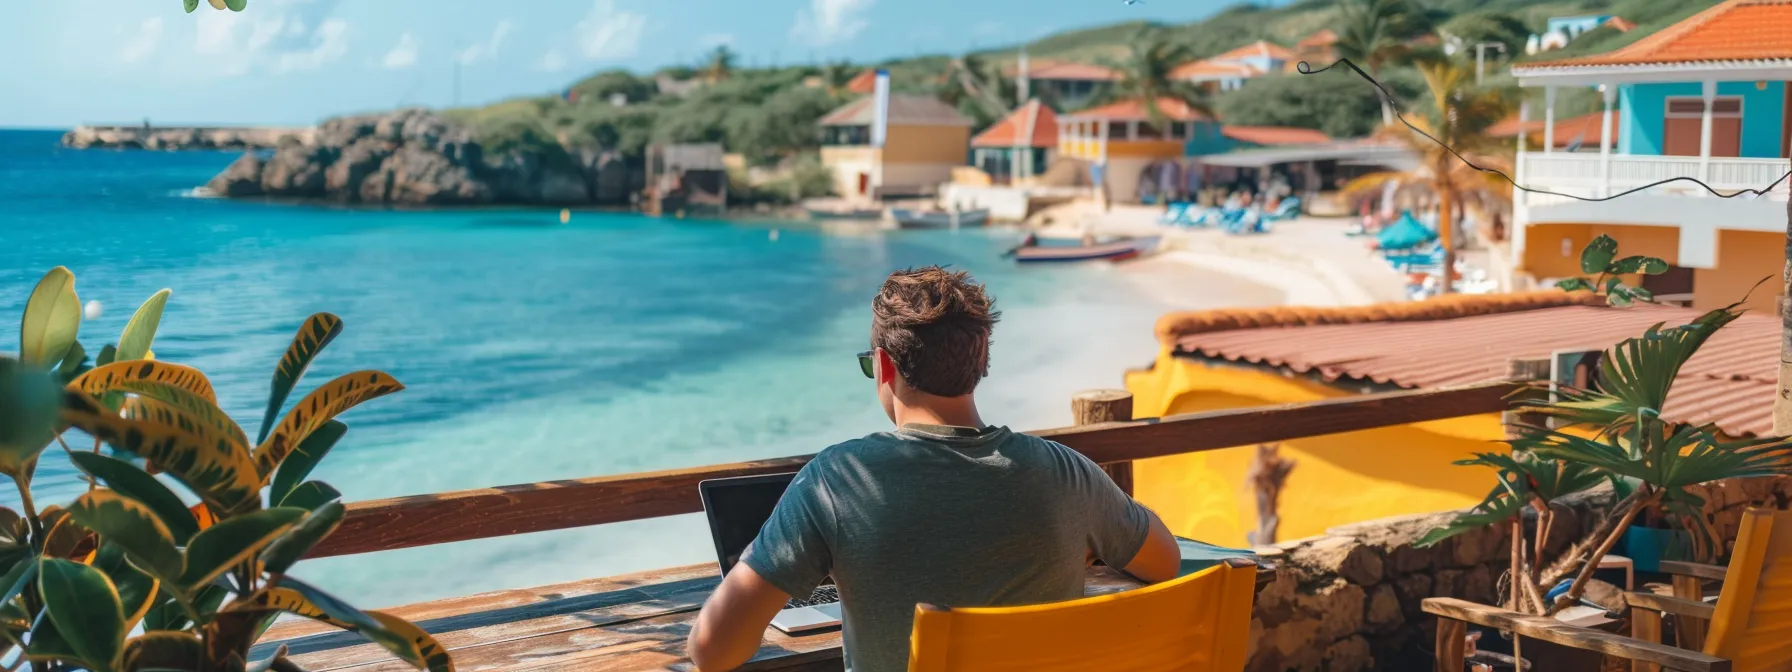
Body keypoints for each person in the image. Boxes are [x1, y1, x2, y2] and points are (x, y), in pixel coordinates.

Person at [686, 267, 1180, 672]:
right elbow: (1165, 562)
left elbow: (712, 651)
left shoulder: (837, 481)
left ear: (883, 366)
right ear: (981, 362)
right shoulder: (1066, 474)